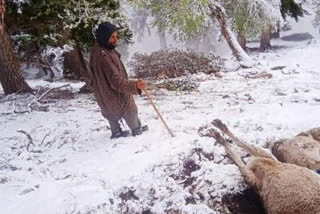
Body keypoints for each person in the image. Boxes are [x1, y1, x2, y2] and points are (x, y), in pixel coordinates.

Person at [89, 22, 148, 139]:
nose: (116, 39)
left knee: (110, 111)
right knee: (129, 107)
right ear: (104, 37)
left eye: (116, 36)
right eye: (112, 37)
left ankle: (116, 132)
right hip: (114, 93)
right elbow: (115, 81)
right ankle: (136, 129)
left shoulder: (98, 50)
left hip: (104, 93)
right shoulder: (103, 56)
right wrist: (135, 86)